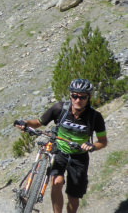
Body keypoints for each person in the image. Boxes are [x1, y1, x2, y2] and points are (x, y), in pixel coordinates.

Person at [14, 78, 107, 213]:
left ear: (89, 97)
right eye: (74, 96)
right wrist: (25, 123)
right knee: (56, 182)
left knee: (74, 198)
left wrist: (92, 146)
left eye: (82, 97)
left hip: (79, 157)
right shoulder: (59, 108)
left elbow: (103, 141)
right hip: (60, 152)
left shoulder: (95, 117)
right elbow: (39, 122)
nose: (77, 100)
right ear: (70, 95)